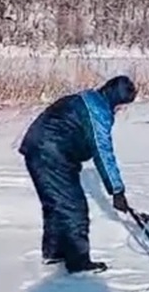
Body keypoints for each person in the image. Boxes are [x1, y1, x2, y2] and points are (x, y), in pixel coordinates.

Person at [18, 75, 138, 274]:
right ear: (116, 99)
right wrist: (117, 191)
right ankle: (78, 262)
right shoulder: (98, 112)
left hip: (40, 150)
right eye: (122, 105)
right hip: (50, 154)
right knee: (74, 207)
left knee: (56, 205)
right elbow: (103, 152)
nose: (122, 110)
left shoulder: (89, 98)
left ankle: (54, 253)